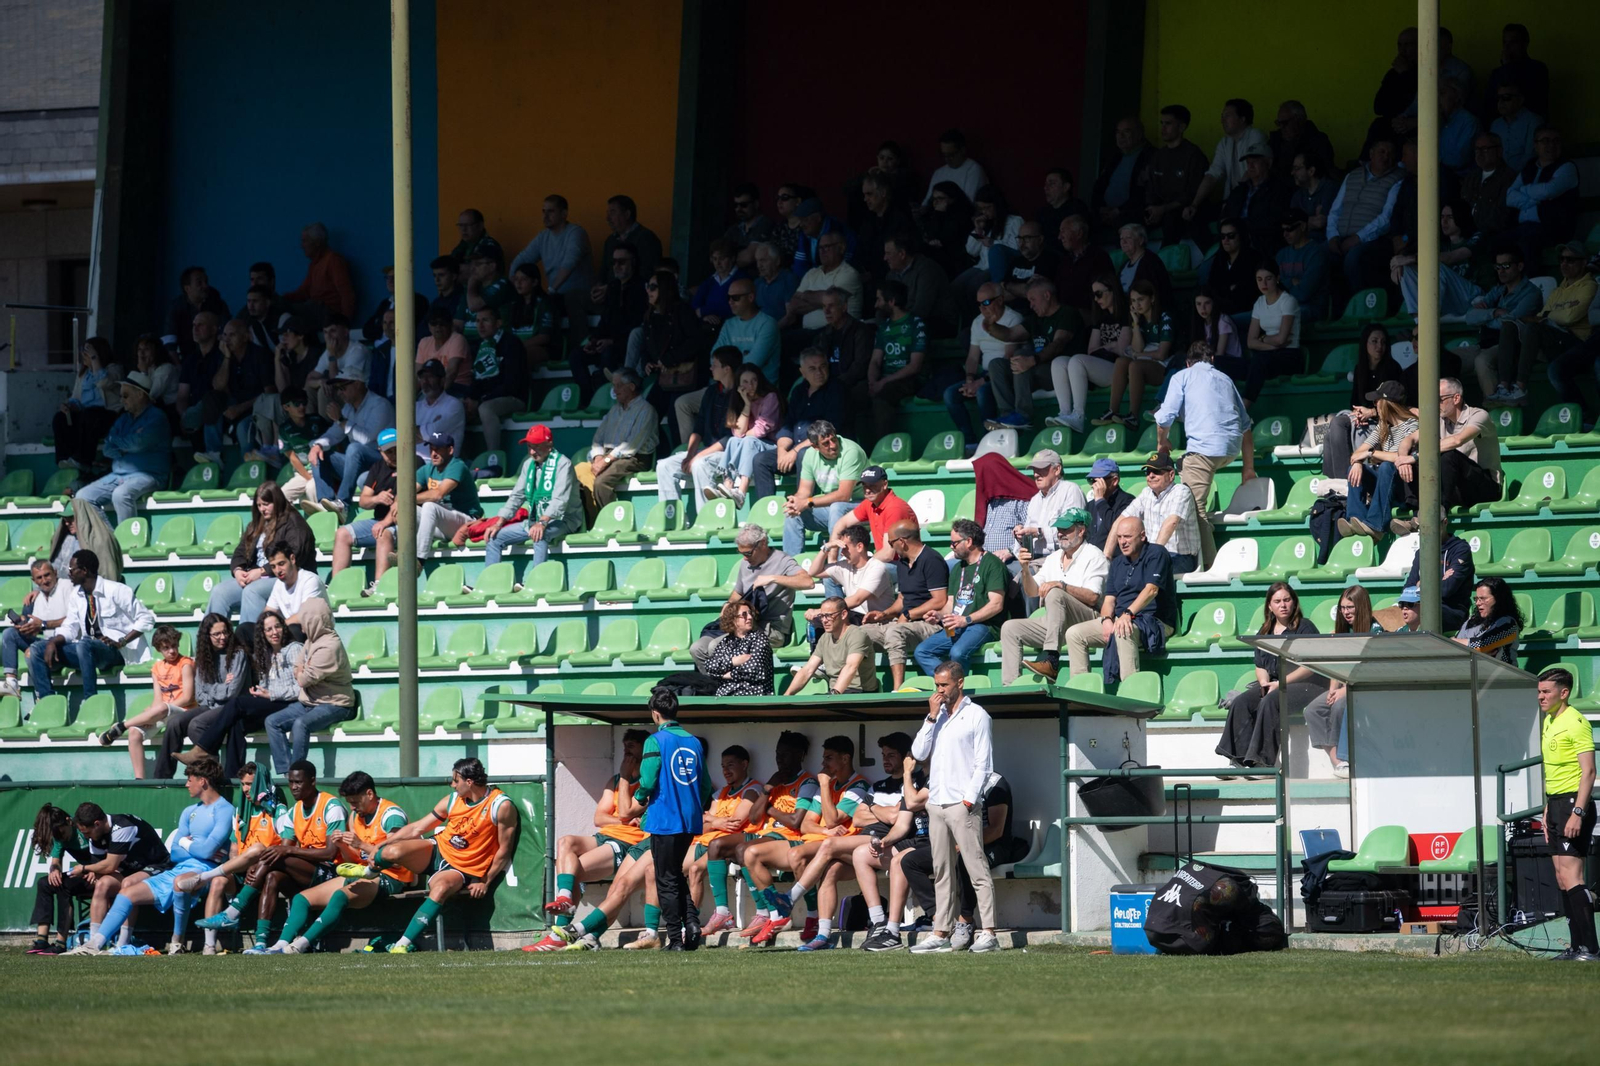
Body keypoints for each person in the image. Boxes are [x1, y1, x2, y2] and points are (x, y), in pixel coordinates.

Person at [337, 757, 518, 953]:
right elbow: (418, 827)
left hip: (461, 868)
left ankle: (402, 944)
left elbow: (504, 850)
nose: (452, 785)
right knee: (392, 850)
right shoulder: (452, 800)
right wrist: (383, 843)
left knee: (439, 889)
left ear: (469, 781)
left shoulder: (500, 805)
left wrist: (485, 881)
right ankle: (369, 871)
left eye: (455, 781)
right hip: (437, 850)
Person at [64, 758, 235, 955]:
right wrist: (193, 845)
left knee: (180, 883)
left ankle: (176, 942)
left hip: (205, 870)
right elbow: (177, 854)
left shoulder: (224, 809)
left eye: (190, 779)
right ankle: (94, 946)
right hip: (177, 868)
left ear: (203, 781)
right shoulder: (189, 811)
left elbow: (205, 854)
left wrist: (186, 843)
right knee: (126, 894)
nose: (186, 784)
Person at [196, 760, 347, 951]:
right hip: (306, 872)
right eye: (291, 782)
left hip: (331, 873)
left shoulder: (330, 806)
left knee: (276, 855)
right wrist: (262, 866)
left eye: (299, 782)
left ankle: (234, 911)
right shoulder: (295, 812)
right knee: (272, 875)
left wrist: (286, 851)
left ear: (313, 781)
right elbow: (280, 852)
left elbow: (330, 852)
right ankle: (261, 942)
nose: (294, 787)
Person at [263, 771, 416, 954]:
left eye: (355, 802)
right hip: (363, 873)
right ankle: (280, 944)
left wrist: (362, 845)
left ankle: (301, 945)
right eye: (350, 803)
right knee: (302, 899)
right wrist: (342, 845)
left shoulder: (391, 815)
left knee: (339, 896)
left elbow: (396, 859)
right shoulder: (355, 817)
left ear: (369, 794)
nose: (352, 808)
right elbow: (355, 860)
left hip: (392, 876)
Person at [743, 734, 872, 947]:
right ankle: (776, 914)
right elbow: (805, 825)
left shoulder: (858, 786)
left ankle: (809, 914)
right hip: (812, 840)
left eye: (829, 758)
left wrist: (823, 786)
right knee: (750, 853)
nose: (823, 764)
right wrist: (825, 830)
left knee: (796, 855)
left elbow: (832, 819)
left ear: (845, 759)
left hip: (842, 847)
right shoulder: (828, 785)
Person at [906, 662, 999, 954]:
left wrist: (969, 800)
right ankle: (940, 932)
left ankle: (989, 932)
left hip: (962, 804)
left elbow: (983, 763)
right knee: (942, 871)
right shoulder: (938, 717)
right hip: (936, 804)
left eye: (943, 685)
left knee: (976, 869)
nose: (939, 691)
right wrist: (931, 718)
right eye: (936, 685)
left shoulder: (977, 715)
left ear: (960, 683)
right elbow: (919, 753)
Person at [529, 730, 650, 950]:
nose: (627, 751)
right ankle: (565, 900)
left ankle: (561, 932)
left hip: (627, 844)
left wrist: (625, 779)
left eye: (632, 746)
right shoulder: (614, 781)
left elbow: (625, 813)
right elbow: (599, 818)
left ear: (645, 749)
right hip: (606, 836)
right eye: (625, 746)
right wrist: (623, 819)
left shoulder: (648, 781)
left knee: (573, 871)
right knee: (566, 842)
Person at [1153, 343, 1256, 569]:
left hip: (1205, 450)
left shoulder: (1182, 376)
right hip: (1231, 449)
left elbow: (1163, 418)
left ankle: (1210, 566)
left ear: (1188, 363)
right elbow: (1246, 426)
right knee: (1188, 467)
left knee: (1195, 509)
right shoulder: (1226, 379)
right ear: (1211, 359)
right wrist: (1248, 467)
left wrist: (1163, 443)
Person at [631, 689, 713, 951]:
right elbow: (705, 785)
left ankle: (675, 939)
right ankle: (691, 924)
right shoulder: (694, 742)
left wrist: (641, 796)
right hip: (689, 821)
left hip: (665, 819)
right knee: (675, 875)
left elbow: (647, 780)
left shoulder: (655, 741)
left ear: (655, 713)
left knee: (665, 878)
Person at [185, 610, 303, 778]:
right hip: (270, 701)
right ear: (263, 634)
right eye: (268, 629)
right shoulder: (265, 655)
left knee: (238, 703)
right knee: (237, 722)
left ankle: (204, 747)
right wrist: (261, 691)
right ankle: (232, 776)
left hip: (288, 703)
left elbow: (301, 689)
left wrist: (271, 694)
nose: (274, 632)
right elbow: (265, 683)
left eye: (277, 627)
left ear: (284, 628)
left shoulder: (294, 649)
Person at [1216, 583, 1322, 770]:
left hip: (1306, 684)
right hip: (1274, 682)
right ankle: (1237, 760)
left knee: (1271, 701)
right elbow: (1260, 665)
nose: (1283, 605)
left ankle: (1266, 763)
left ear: (1294, 602)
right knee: (1242, 702)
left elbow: (1309, 667)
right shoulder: (1265, 631)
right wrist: (1264, 682)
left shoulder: (1305, 627)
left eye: (1287, 600)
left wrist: (1279, 684)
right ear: (1269, 606)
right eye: (1277, 601)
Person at [1534, 668, 1599, 961]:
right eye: (1539, 691)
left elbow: (1589, 772)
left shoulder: (1576, 723)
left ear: (1564, 693)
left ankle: (1591, 949)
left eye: (1546, 692)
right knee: (1561, 877)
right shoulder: (1549, 721)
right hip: (1556, 804)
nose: (1541, 697)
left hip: (1574, 805)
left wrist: (1577, 812)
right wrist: (1549, 807)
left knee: (1573, 876)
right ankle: (1575, 947)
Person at [30, 549, 153, 701]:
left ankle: (90, 700)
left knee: (84, 643)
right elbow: (70, 627)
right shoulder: (77, 594)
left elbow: (146, 619)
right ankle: (46, 701)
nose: (68, 573)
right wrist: (53, 641)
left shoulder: (116, 590)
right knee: (37, 648)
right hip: (87, 652)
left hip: (116, 651)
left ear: (84, 571)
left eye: (71, 569)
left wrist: (122, 641)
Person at [1001, 508, 1108, 683]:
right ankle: (1010, 687)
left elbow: (1093, 598)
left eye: (1066, 529)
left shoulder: (1094, 555)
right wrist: (1025, 569)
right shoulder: (1054, 558)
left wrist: (1062, 586)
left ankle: (1051, 661)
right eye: (1059, 529)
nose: (1060, 534)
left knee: (1055, 592)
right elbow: (1032, 591)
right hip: (1056, 623)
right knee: (1009, 628)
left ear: (1081, 531)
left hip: (1088, 618)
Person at [1068, 516, 1175, 679]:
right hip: (1121, 618)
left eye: (1127, 537)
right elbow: (1109, 600)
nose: (1122, 542)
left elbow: (1151, 590)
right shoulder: (1117, 563)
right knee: (1074, 634)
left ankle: (1130, 693)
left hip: (1155, 620)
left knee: (1122, 630)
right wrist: (1106, 620)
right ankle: (1080, 691)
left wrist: (1127, 614)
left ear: (1142, 535)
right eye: (1119, 537)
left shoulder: (1157, 553)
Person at [688, 524, 802, 672]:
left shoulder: (783, 561)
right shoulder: (745, 564)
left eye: (748, 553)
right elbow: (739, 593)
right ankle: (714, 687)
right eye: (741, 553)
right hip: (742, 625)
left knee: (714, 646)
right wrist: (729, 604)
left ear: (762, 544)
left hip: (770, 630)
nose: (744, 558)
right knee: (697, 648)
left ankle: (730, 686)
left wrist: (773, 578)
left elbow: (808, 582)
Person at [148, 614, 249, 779]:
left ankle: (211, 771)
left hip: (231, 707)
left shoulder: (238, 654)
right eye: (217, 634)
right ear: (207, 636)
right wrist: (220, 687)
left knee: (196, 724)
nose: (222, 637)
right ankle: (161, 778)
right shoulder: (203, 656)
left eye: (225, 632)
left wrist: (212, 688)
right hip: (210, 705)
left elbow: (232, 692)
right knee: (175, 723)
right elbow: (201, 695)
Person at [1392, 377, 1501, 528]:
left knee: (1449, 455)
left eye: (1439, 399)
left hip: (1484, 487)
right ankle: (1416, 510)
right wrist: (1404, 459)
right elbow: (1409, 439)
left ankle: (1436, 515)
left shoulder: (1479, 415)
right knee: (1407, 464)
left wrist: (1414, 457)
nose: (1435, 404)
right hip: (1456, 487)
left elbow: (1457, 441)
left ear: (1456, 398)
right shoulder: (1439, 419)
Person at [261, 600, 354, 773]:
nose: (301, 627)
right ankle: (287, 771)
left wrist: (302, 671)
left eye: (304, 621)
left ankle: (299, 773)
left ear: (314, 621)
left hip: (336, 703)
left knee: (300, 724)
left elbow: (303, 680)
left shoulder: (329, 647)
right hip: (310, 701)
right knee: (272, 722)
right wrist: (302, 670)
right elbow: (298, 667)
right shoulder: (312, 641)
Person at [208, 482, 315, 625]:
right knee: (219, 592)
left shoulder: (294, 523)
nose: (262, 509)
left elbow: (295, 554)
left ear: (276, 501)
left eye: (266, 504)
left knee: (252, 591)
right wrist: (238, 570)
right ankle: (211, 644)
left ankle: (250, 644)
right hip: (256, 577)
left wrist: (263, 571)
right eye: (259, 505)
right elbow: (240, 551)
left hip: (285, 577)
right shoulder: (257, 524)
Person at [1501, 243, 1597, 402]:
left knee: (1533, 328)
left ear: (1584, 262)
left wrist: (1546, 316)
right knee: (1510, 325)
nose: (1564, 264)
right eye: (1561, 259)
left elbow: (1569, 318)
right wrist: (1547, 316)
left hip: (1578, 344)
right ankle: (1503, 387)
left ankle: (1520, 387)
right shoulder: (1558, 290)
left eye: (1570, 260)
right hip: (1554, 339)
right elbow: (1542, 316)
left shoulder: (1590, 286)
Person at [912, 519, 1007, 678]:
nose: (951, 546)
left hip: (983, 625)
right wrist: (939, 615)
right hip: (957, 626)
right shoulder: (958, 568)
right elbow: (951, 603)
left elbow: (996, 604)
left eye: (954, 543)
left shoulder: (992, 564)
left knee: (957, 652)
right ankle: (948, 684)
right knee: (922, 651)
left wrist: (967, 619)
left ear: (969, 541)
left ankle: (957, 692)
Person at [1304, 586, 1381, 777]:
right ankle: (1338, 761)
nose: (1345, 612)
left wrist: (1344, 691)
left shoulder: (1375, 631)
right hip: (1345, 686)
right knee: (1313, 710)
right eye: (1342, 608)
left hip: (1366, 687)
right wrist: (1333, 689)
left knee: (1339, 707)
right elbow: (1336, 664)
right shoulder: (1342, 631)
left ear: (1361, 606)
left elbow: (1371, 670)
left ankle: (1346, 757)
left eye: (1350, 607)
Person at [73, 371, 170, 523]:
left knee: (121, 494)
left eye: (125, 396)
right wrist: (124, 444)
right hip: (118, 475)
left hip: (150, 475)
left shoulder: (157, 417)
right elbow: (107, 448)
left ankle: (128, 543)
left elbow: (138, 444)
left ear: (140, 395)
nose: (121, 400)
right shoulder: (124, 418)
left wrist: (119, 443)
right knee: (83, 496)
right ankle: (109, 540)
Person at [477, 425, 580, 566]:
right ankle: (490, 582)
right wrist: (499, 523)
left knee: (539, 534)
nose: (532, 452)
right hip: (535, 520)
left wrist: (542, 523)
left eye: (536, 446)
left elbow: (559, 500)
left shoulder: (563, 464)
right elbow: (516, 496)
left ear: (549, 445)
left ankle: (537, 582)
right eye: (529, 446)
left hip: (564, 519)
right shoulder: (528, 465)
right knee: (494, 537)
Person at [98, 623, 191, 776]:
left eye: (174, 646)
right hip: (164, 712)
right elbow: (157, 699)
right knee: (135, 733)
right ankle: (139, 780)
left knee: (160, 709)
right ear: (159, 649)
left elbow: (187, 698)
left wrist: (159, 711)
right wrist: (152, 716)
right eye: (166, 648)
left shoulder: (186, 664)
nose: (172, 651)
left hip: (184, 711)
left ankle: (122, 726)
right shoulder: (156, 668)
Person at [987, 277, 1077, 432]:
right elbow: (1010, 334)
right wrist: (991, 326)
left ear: (1047, 295)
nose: (1031, 305)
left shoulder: (1067, 313)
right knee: (996, 365)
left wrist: (1032, 360)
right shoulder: (1035, 319)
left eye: (1033, 300)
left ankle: (1023, 415)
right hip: (1033, 370)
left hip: (1057, 372)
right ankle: (1008, 416)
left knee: (1021, 356)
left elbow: (1058, 344)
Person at [306, 369, 395, 513]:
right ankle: (325, 502)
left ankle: (342, 504)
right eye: (338, 389)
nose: (340, 392)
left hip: (383, 463)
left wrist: (341, 419)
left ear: (359, 384)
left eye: (343, 387)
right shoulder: (348, 408)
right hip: (358, 465)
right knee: (319, 453)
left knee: (354, 448)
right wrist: (317, 445)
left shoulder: (380, 405)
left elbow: (366, 439)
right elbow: (333, 435)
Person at [1339, 381, 1419, 540]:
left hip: (1406, 487)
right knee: (1354, 469)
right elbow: (1358, 453)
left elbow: (1401, 457)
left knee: (1387, 466)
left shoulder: (1412, 424)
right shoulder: (1383, 426)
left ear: (1387, 403)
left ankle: (1377, 525)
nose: (1374, 405)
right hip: (1386, 483)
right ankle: (1356, 520)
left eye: (1377, 401)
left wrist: (1371, 454)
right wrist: (1357, 463)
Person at [575, 368, 657, 523]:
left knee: (601, 482)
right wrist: (599, 456)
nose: (614, 390)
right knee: (577, 472)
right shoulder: (614, 410)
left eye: (618, 385)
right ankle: (591, 521)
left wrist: (605, 461)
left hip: (634, 458)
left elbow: (632, 445)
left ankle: (612, 523)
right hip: (608, 457)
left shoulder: (646, 410)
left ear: (631, 387)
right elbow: (598, 438)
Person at [1049, 277, 1129, 432]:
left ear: (1112, 291)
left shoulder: (1126, 314)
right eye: (1094, 295)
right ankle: (1064, 413)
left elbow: (1122, 350)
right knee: (1058, 362)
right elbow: (1092, 350)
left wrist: (1107, 347)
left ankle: (1078, 415)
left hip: (1118, 368)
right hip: (1100, 365)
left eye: (1099, 294)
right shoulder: (1101, 317)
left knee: (1077, 360)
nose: (1096, 299)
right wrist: (1111, 345)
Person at [1326, 137, 1405, 294]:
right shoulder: (1352, 175)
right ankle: (1331, 311)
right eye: (1382, 152)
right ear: (1371, 154)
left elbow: (1386, 218)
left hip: (1374, 239)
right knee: (1318, 254)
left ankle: (1360, 306)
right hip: (1341, 236)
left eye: (1390, 154)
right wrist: (1332, 237)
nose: (1386, 157)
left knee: (1353, 259)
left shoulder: (1398, 179)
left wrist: (1357, 238)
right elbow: (1335, 210)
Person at [1465, 247, 1544, 405]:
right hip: (1483, 343)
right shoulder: (1498, 291)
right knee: (1443, 359)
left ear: (1519, 267)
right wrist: (1494, 312)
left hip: (1508, 345)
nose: (1501, 271)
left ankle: (1496, 415)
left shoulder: (1531, 293)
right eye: (1498, 267)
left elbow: (1510, 323)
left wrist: (1486, 318)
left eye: (1506, 266)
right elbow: (1470, 317)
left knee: (1482, 362)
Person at [946, 282, 1022, 441]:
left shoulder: (1013, 319)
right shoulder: (977, 322)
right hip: (983, 373)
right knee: (950, 395)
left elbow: (1007, 359)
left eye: (986, 302)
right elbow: (973, 357)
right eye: (979, 304)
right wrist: (969, 380)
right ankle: (970, 442)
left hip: (1004, 374)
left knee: (982, 392)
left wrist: (980, 382)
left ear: (1000, 300)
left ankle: (990, 440)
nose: (982, 307)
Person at [326, 428, 403, 581]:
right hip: (379, 521)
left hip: (403, 523)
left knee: (383, 533)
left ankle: (379, 585)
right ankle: (337, 583)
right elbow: (363, 500)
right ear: (380, 451)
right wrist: (377, 498)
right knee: (342, 533)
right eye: (389, 452)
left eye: (396, 449)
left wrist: (384, 523)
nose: (394, 455)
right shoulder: (377, 468)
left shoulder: (414, 462)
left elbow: (405, 498)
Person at [782, 420, 865, 558]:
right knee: (793, 513)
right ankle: (791, 569)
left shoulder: (851, 452)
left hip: (862, 508)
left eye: (833, 439)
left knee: (837, 507)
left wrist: (807, 502)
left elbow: (844, 495)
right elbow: (804, 491)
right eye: (826, 443)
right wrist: (795, 502)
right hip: (835, 511)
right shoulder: (809, 455)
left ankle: (837, 563)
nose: (833, 445)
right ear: (815, 446)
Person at [1097, 280, 1172, 429]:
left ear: (1152, 299)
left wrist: (1139, 354)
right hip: (1146, 361)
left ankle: (1133, 415)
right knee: (1121, 362)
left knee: (1134, 366)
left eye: (1141, 300)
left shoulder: (1165, 317)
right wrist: (1136, 324)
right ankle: (1113, 410)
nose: (1137, 305)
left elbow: (1162, 354)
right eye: (1133, 301)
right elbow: (1137, 348)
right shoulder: (1140, 319)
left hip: (1165, 367)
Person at [1112, 452, 1200, 575]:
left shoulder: (1181, 491)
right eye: (1148, 472)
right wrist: (1106, 557)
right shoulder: (1146, 493)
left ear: (1171, 475)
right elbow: (1120, 522)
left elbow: (1171, 522)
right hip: (1150, 556)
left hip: (1180, 557)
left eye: (1157, 472)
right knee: (1117, 570)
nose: (1151, 475)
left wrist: (1153, 557)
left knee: (1144, 574)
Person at [1505, 128, 1579, 273]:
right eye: (1545, 141)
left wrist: (1524, 190)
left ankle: (1531, 288)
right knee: (1497, 242)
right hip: (1523, 227)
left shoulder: (1567, 167)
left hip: (1552, 227)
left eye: (1556, 141)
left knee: (1527, 244)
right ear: (1536, 145)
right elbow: (1509, 197)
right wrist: (1534, 200)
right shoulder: (1529, 167)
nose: (1551, 145)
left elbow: (1548, 190)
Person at [1395, 201, 1483, 319]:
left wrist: (1411, 259)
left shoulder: (1476, 237)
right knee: (1408, 268)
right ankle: (1420, 320)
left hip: (1474, 297)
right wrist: (1397, 265)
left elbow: (1452, 257)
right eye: (1442, 217)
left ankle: (1430, 317)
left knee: (1433, 264)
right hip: (1450, 299)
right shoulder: (1440, 244)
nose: (1444, 221)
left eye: (1449, 217)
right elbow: (1396, 275)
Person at [0, 560, 72, 700]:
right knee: (10, 633)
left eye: (47, 575)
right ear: (34, 580)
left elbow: (75, 620)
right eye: (39, 578)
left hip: (65, 647)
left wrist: (44, 624)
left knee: (33, 651)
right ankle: (12, 682)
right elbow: (38, 627)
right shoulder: (37, 598)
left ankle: (44, 698)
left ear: (55, 573)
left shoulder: (67, 587)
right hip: (45, 647)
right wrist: (26, 628)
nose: (44, 580)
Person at [1143, 104, 1211, 249]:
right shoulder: (1158, 156)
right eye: (1161, 123)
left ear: (1181, 127)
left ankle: (1164, 266)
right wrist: (1152, 209)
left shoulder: (1193, 155)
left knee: (1173, 220)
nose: (1163, 128)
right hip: (1160, 210)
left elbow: (1192, 193)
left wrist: (1163, 209)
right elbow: (1151, 188)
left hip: (1181, 211)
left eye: (1168, 124)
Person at [713, 363, 781, 507]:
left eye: (754, 380)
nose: (750, 385)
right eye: (745, 381)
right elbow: (737, 434)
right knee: (732, 441)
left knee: (748, 441)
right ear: (738, 384)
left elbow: (761, 430)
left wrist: (744, 436)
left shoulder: (770, 397)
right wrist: (747, 404)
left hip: (773, 447)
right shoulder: (739, 401)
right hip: (752, 446)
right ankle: (728, 485)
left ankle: (741, 492)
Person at [786, 595, 880, 696]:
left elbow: (851, 667)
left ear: (843, 614)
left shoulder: (857, 634)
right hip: (836, 693)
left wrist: (834, 695)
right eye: (822, 616)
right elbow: (808, 669)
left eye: (829, 615)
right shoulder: (825, 638)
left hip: (860, 694)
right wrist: (786, 696)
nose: (824, 620)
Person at [52, 337, 122, 471]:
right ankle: (65, 459)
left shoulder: (114, 369)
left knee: (90, 415)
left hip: (108, 416)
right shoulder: (83, 374)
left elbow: (104, 383)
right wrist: (69, 406)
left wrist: (95, 360)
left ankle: (83, 460)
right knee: (60, 418)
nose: (83, 356)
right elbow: (76, 398)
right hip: (87, 416)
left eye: (87, 353)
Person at [411, 432, 482, 561]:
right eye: (431, 449)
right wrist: (401, 502)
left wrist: (407, 499)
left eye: (438, 449)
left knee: (429, 506)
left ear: (450, 450)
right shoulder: (427, 469)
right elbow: (404, 494)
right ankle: (405, 552)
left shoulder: (457, 466)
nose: (433, 454)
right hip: (444, 523)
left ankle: (418, 560)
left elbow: (438, 494)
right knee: (406, 510)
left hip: (466, 521)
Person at [510, 194, 594, 298]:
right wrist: (512, 283)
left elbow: (570, 262)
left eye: (551, 211)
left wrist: (551, 290)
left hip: (579, 297)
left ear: (564, 214)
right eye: (544, 211)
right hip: (556, 297)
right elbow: (523, 258)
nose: (545, 216)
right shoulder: (543, 237)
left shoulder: (575, 233)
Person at [1402, 513, 1475, 631]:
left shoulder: (1460, 549)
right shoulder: (1421, 553)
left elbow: (1447, 589)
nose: (1427, 531)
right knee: (1400, 610)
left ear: (1445, 522)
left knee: (1426, 611)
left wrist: (1421, 584)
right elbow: (1407, 589)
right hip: (1421, 607)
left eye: (1431, 526)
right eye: (1423, 527)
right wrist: (1440, 580)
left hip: (1452, 611)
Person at [1244, 260, 1302, 405]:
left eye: (1268, 278)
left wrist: (1262, 339)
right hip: (1268, 354)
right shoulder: (1259, 302)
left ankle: (1243, 409)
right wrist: (1271, 343)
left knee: (1258, 361)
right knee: (1223, 362)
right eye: (1259, 279)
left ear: (1277, 278)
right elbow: (1251, 341)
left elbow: (1282, 339)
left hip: (1289, 355)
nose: (1263, 283)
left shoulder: (1288, 301)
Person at [777, 347, 844, 474]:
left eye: (822, 367)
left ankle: (802, 494)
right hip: (796, 450)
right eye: (812, 369)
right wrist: (781, 452)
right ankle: (766, 495)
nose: (819, 372)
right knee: (761, 459)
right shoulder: (799, 391)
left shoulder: (836, 390)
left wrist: (794, 451)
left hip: (825, 449)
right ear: (802, 372)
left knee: (804, 454)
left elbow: (828, 430)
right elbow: (788, 425)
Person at [781, 231, 862, 333]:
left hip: (839, 333)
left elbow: (832, 300)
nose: (822, 251)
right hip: (808, 333)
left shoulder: (849, 274)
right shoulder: (812, 273)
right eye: (820, 248)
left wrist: (804, 295)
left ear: (841, 248)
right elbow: (793, 305)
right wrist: (821, 300)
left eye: (827, 247)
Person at [1091, 117, 1154, 238]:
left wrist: (1120, 210)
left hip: (1132, 215)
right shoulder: (1114, 158)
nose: (1121, 136)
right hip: (1106, 214)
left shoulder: (1151, 157)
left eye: (1126, 131)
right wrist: (1100, 209)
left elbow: (1144, 194)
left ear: (1139, 134)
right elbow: (1099, 186)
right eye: (1118, 132)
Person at [1223, 149, 1292, 255]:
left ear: (1268, 163)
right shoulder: (1240, 190)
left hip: (1260, 245)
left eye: (1254, 162)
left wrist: (1243, 227)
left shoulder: (1278, 190)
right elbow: (1225, 214)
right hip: (1232, 241)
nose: (1250, 166)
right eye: (1248, 163)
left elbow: (1275, 221)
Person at [702, 600, 774, 696]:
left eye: (750, 613)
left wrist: (728, 675)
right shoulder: (725, 642)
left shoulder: (759, 639)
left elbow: (755, 670)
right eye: (744, 614)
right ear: (733, 619)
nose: (750, 617)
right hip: (725, 696)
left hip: (752, 696)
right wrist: (734, 661)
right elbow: (710, 668)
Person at [1275, 209, 1329, 323]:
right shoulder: (1281, 254)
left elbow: (1304, 294)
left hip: (1310, 309)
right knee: (1234, 321)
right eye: (1283, 230)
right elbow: (1272, 288)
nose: (1285, 234)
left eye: (1289, 229)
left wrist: (1283, 283)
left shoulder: (1316, 253)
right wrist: (1292, 281)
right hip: (1282, 308)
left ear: (1303, 226)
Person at [1455, 577, 1523, 666]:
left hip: (1503, 677)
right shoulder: (1471, 622)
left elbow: (1481, 645)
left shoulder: (1508, 624)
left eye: (1483, 598)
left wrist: (1454, 641)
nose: (1478, 603)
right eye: (1476, 599)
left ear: (1498, 599)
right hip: (1470, 675)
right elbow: (1453, 649)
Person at [1056, 214, 1115, 314]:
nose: (1059, 237)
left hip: (1089, 313)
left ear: (1079, 234)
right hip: (1065, 313)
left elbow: (1104, 292)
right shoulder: (1065, 260)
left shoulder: (1099, 257)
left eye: (1063, 231)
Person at [1462, 134, 1516, 240]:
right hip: (1465, 235)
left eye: (1485, 149)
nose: (1480, 153)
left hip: (1492, 237)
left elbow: (1502, 217)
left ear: (1499, 151)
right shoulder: (1471, 177)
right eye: (1477, 149)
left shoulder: (1510, 178)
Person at [414, 358, 467, 462]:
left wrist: (416, 433)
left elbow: (432, 434)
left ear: (442, 380)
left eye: (430, 377)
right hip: (414, 464)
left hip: (442, 465)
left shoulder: (454, 405)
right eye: (422, 377)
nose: (425, 382)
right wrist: (425, 432)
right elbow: (402, 436)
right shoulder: (415, 406)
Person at [922, 129, 987, 204]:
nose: (947, 159)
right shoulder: (939, 173)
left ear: (962, 150)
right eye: (944, 155)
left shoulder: (973, 170)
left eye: (951, 155)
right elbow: (927, 201)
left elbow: (969, 204)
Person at [692, 240, 745, 328]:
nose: (718, 263)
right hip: (709, 328)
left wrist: (703, 311)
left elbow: (733, 308)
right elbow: (695, 306)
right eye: (715, 259)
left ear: (732, 258)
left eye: (722, 258)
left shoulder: (741, 279)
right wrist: (705, 317)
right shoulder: (709, 281)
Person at [1038, 167, 1089, 255]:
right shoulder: (1043, 212)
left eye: (1052, 184)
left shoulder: (1077, 208)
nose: (1046, 188)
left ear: (1066, 187)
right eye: (1045, 184)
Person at [1086, 458, 1134, 550]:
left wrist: (1100, 501)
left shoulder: (1128, 501)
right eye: (1092, 480)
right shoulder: (1091, 505)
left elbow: (1117, 530)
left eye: (1098, 480)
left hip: (1115, 559)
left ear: (1114, 481)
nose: (1093, 485)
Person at [724, 183, 774, 269]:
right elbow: (720, 256)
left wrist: (726, 262)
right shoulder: (734, 229)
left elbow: (748, 258)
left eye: (744, 205)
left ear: (756, 204)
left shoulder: (765, 224)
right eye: (736, 205)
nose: (738, 209)